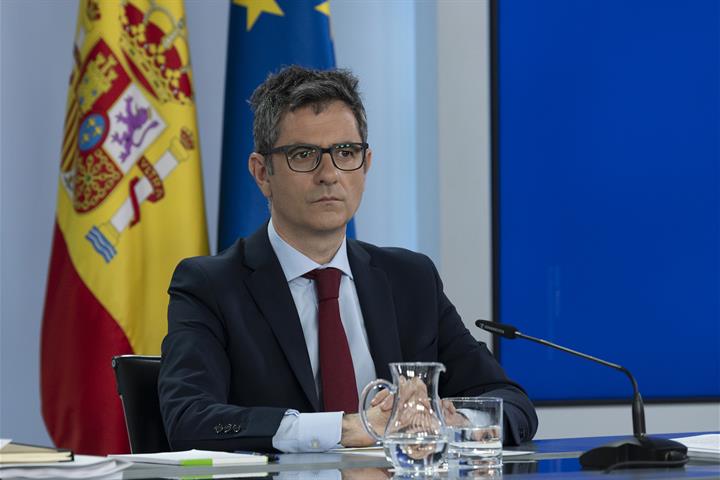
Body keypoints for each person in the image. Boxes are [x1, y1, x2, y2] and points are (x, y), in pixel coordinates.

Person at [158, 66, 538, 453]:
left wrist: (451, 418)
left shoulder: (410, 279)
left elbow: (511, 403)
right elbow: (190, 420)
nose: (329, 174)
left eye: (345, 152)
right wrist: (348, 428)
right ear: (262, 173)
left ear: (366, 162)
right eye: (303, 155)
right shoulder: (211, 285)